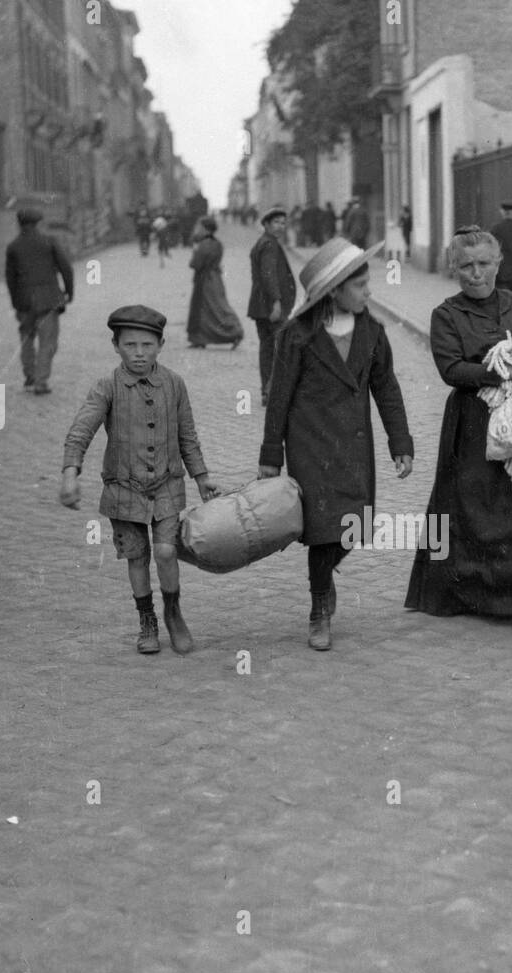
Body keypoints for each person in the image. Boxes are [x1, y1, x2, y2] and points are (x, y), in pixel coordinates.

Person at [405, 225, 512, 632]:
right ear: (453, 269)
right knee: (477, 514)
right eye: (466, 266)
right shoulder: (446, 315)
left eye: (484, 263)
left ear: (499, 264)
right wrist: (501, 369)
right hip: (473, 428)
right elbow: (451, 368)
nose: (476, 273)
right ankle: (475, 592)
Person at [258, 237, 414, 651]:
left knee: (354, 524)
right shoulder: (297, 336)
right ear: (335, 290)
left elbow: (386, 388)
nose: (369, 292)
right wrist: (271, 456)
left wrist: (401, 441)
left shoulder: (373, 332)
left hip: (354, 448)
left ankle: (324, 586)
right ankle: (319, 606)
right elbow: (279, 399)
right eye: (361, 285)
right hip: (311, 448)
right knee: (324, 530)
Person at [61, 305, 221, 656]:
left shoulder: (174, 384)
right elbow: (81, 430)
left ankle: (173, 613)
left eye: (147, 345)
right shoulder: (107, 387)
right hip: (124, 490)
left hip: (166, 483)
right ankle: (146, 619)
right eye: (130, 345)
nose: (139, 353)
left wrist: (202, 476)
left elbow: (188, 436)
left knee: (165, 550)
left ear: (161, 345)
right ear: (115, 345)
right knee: (136, 558)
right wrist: (71, 472)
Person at [4, 207, 73, 394]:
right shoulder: (49, 242)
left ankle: (30, 377)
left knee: (26, 339)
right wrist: (69, 292)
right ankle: (41, 382)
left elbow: (10, 279)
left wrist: (15, 302)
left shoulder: (13, 247)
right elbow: (66, 268)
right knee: (48, 341)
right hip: (49, 301)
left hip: (24, 302)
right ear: (38, 223)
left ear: (19, 224)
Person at [247, 206, 297, 407]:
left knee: (267, 348)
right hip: (270, 307)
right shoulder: (269, 245)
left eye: (283, 223)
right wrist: (276, 302)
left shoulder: (263, 243)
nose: (280, 227)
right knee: (279, 349)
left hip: (260, 306)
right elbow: (268, 274)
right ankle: (273, 391)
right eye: (276, 222)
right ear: (266, 225)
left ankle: (267, 391)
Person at [186, 216, 244, 350]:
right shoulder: (217, 243)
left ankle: (233, 333)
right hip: (215, 278)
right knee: (217, 307)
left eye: (199, 227)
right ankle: (202, 338)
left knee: (205, 308)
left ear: (206, 229)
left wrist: (194, 251)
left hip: (205, 280)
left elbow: (195, 264)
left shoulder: (203, 245)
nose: (197, 229)